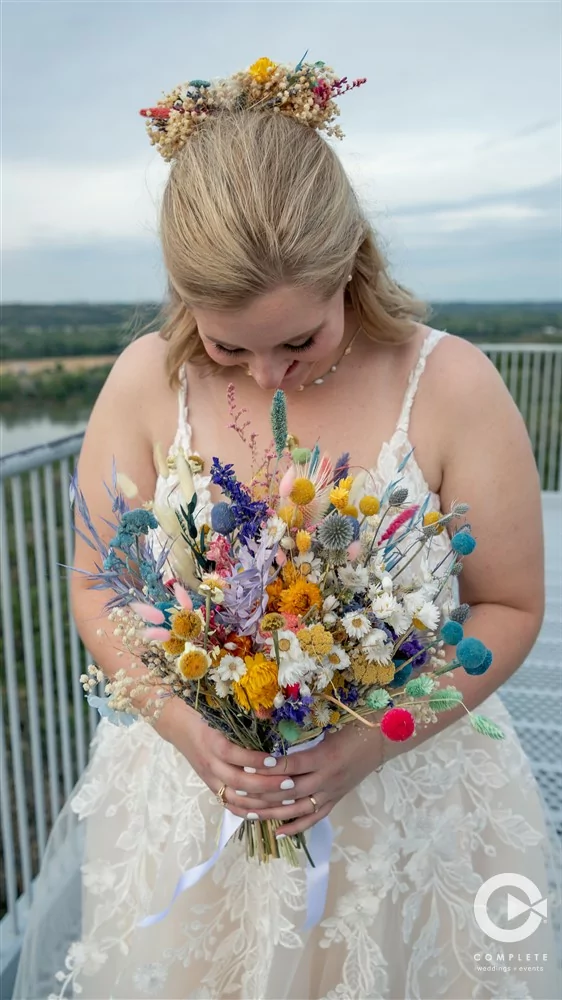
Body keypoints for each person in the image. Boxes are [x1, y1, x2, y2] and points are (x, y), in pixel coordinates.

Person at [14, 58, 559, 1000]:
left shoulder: (456, 385)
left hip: (407, 806)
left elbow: (507, 605)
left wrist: (373, 740)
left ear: (351, 267)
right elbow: (99, 586)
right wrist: (190, 731)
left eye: (300, 341)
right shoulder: (145, 380)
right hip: (188, 806)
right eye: (229, 346)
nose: (267, 377)